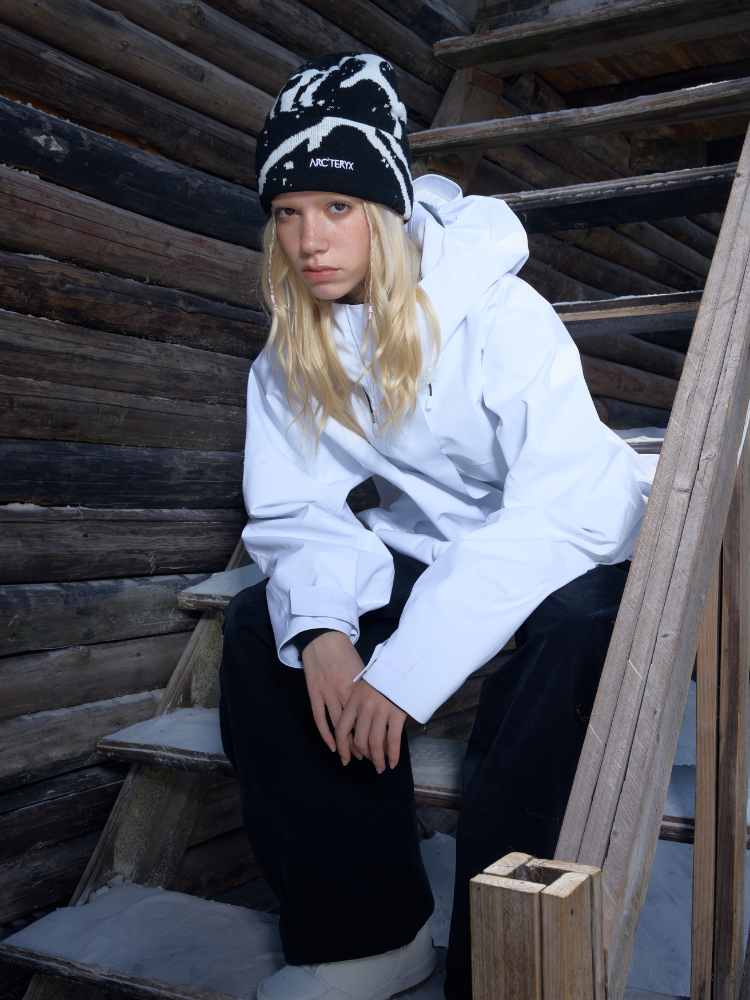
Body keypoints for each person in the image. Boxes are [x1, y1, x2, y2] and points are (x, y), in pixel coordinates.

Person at [219, 52, 654, 1000]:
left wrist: (406, 672)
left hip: (573, 534)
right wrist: (325, 633)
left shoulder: (499, 310)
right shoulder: (296, 346)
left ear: (384, 208)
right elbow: (295, 508)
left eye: (337, 207)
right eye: (287, 212)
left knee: (573, 637)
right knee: (263, 628)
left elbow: (562, 503)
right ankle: (368, 935)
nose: (308, 240)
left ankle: (504, 961)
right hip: (442, 541)